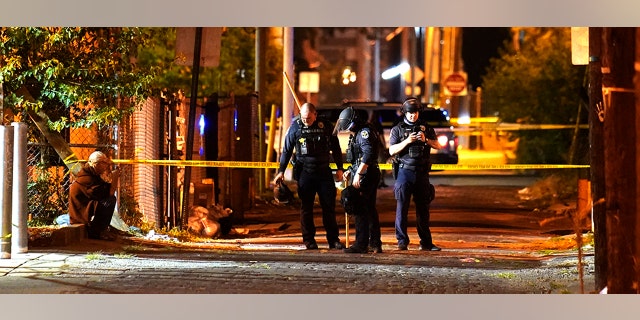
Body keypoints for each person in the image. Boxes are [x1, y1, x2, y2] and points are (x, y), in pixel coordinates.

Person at [273, 102, 345, 250]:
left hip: (324, 172)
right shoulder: (295, 128)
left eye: (309, 118)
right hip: (305, 172)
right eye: (303, 118)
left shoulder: (325, 126)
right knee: (306, 208)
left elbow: (336, 148)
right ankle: (309, 241)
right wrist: (281, 170)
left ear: (315, 114)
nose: (306, 121)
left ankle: (333, 240)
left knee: (329, 208)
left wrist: (339, 168)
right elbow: (286, 151)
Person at [388, 97, 442, 251]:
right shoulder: (397, 129)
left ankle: (426, 242)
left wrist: (426, 140)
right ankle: (402, 241)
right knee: (402, 208)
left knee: (423, 209)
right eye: (410, 112)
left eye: (415, 112)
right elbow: (391, 150)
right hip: (405, 171)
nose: (413, 115)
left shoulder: (425, 127)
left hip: (422, 172)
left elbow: (438, 145)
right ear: (405, 113)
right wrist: (407, 141)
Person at [334, 106, 383, 254]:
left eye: (349, 127)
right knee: (369, 208)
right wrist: (351, 170)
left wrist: (358, 174)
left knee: (356, 205)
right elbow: (359, 157)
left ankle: (361, 244)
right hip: (365, 173)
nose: (348, 130)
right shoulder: (359, 133)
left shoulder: (364, 133)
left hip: (366, 175)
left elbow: (368, 155)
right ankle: (375, 243)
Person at [69, 151, 121, 241]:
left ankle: (100, 230)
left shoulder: (91, 174)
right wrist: (115, 177)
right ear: (95, 164)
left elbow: (103, 189)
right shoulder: (87, 178)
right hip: (81, 213)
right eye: (104, 163)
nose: (105, 167)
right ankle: (97, 232)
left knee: (108, 200)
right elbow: (109, 193)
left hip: (87, 206)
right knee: (109, 201)